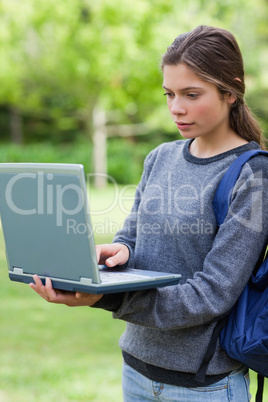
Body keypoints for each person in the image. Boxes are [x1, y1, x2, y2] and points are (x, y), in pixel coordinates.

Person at [30, 25, 268, 401]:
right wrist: (119, 252)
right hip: (136, 370)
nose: (176, 107)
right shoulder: (162, 157)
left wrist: (109, 299)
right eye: (169, 94)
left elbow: (211, 294)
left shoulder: (253, 175)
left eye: (191, 94)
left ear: (231, 92)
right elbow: (132, 236)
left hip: (203, 386)